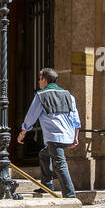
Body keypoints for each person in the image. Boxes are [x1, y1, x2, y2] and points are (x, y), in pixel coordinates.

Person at [17, 67, 78, 199]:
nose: (39, 82)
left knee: (60, 164)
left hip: (55, 136)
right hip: (68, 135)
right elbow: (75, 118)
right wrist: (76, 136)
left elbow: (31, 116)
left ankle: (70, 195)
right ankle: (47, 184)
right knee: (44, 154)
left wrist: (23, 132)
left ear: (44, 80)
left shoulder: (41, 95)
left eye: (40, 79)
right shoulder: (69, 95)